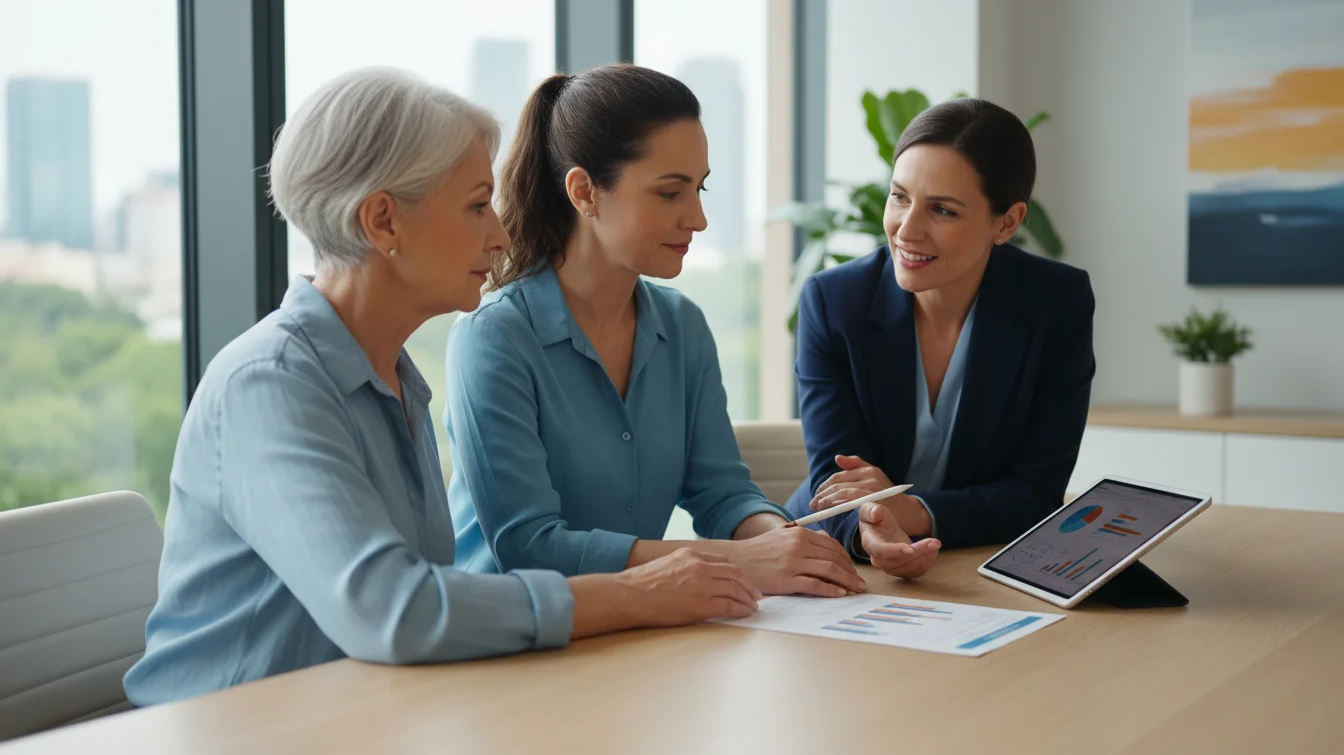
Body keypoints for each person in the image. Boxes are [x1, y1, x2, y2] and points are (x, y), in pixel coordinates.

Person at [123, 68, 763, 707]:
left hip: (356, 721)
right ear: (384, 222)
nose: (502, 234)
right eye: (477, 205)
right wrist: (638, 592)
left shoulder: (395, 380)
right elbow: (393, 609)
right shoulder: (268, 385)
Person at [443, 64, 866, 598]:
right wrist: (741, 561)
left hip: (632, 628)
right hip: (508, 648)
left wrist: (789, 548)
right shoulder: (494, 337)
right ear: (584, 192)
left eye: (700, 189)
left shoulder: (681, 325)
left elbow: (721, 493)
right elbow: (530, 544)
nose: (699, 218)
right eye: (670, 193)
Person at [784, 98, 1096, 580]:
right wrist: (874, 524)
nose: (906, 231)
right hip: (837, 550)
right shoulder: (833, 300)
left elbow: (1036, 492)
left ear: (1007, 223)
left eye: (943, 210)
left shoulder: (1055, 304)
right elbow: (836, 481)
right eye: (899, 197)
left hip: (974, 563)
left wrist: (914, 513)